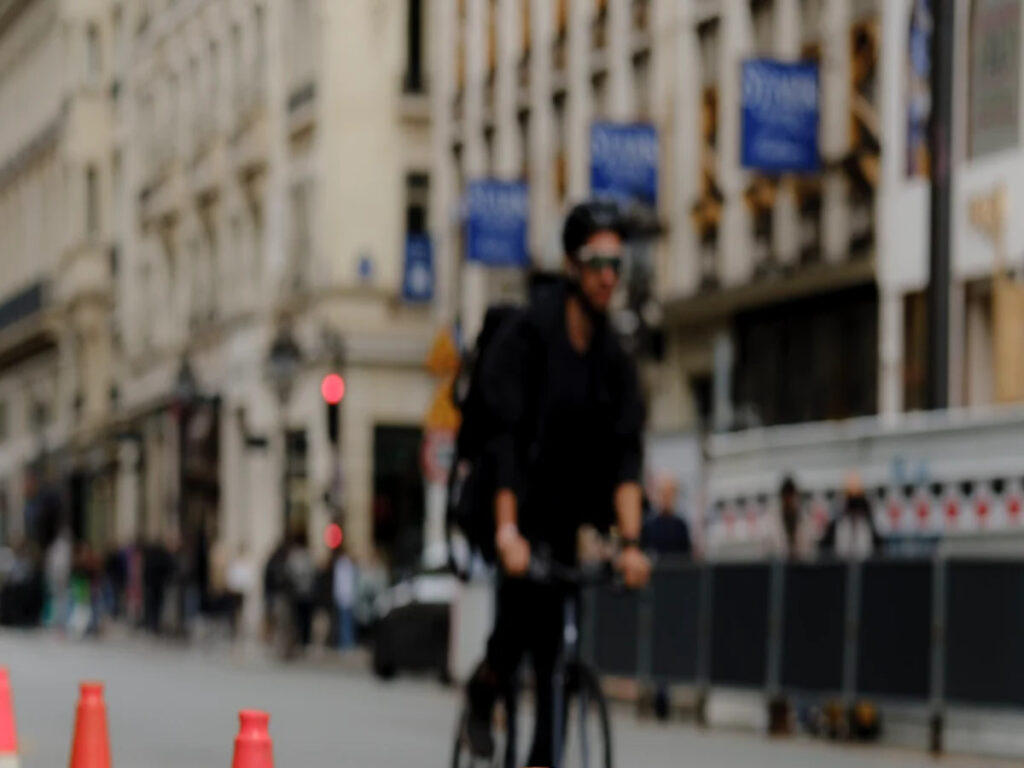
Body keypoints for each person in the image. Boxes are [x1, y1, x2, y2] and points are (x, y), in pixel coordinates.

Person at [466, 200, 652, 765]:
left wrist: (631, 544)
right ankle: (485, 686)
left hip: (565, 515)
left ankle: (544, 754)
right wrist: (506, 533)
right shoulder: (530, 334)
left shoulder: (613, 358)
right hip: (509, 505)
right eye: (596, 263)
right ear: (572, 265)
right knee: (516, 623)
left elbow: (625, 455)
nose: (607, 277)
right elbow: (504, 440)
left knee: (556, 656)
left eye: (616, 265)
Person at [819, 473, 883, 560]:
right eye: (851, 504)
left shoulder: (869, 525)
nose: (854, 509)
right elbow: (825, 549)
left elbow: (878, 550)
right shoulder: (836, 526)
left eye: (857, 503)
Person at [764, 476, 817, 561]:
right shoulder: (773, 517)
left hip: (800, 563)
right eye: (786, 496)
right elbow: (768, 546)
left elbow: (810, 545)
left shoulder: (803, 516)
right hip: (780, 564)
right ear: (782, 497)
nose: (788, 500)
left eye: (790, 496)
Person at [642, 474, 692, 558]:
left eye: (670, 493)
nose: (666, 498)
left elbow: (686, 556)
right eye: (663, 493)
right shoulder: (648, 525)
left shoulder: (681, 526)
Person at [332, 546, 358, 651]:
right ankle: (347, 642)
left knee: (346, 622)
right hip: (346, 597)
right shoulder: (347, 565)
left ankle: (347, 643)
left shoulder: (344, 565)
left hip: (345, 596)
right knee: (346, 622)